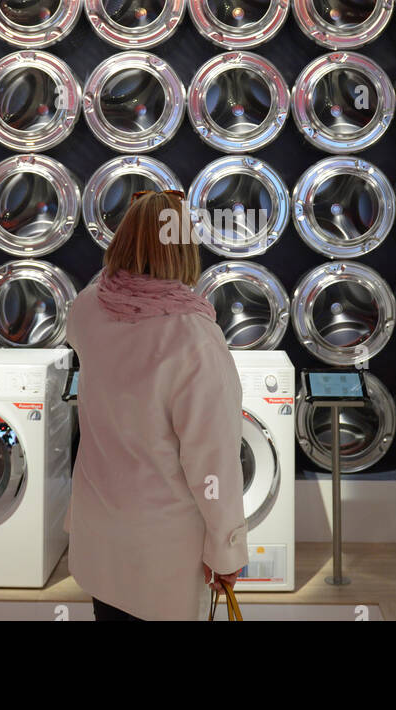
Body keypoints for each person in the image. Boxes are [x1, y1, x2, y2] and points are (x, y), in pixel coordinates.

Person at [66, 189, 248, 621]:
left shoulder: (87, 308)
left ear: (123, 239)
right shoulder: (193, 336)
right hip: (164, 547)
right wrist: (227, 548)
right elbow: (212, 462)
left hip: (100, 531)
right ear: (186, 248)